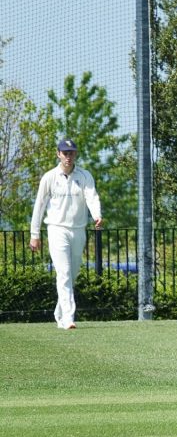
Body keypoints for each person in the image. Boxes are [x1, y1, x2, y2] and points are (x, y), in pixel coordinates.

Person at [29, 138, 103, 330]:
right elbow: (39, 206)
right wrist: (34, 234)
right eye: (64, 153)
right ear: (58, 154)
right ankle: (68, 318)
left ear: (75, 154)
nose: (68, 157)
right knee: (64, 273)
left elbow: (91, 196)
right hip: (56, 229)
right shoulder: (49, 177)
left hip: (78, 230)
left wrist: (97, 215)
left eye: (71, 153)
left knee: (73, 273)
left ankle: (59, 312)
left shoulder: (84, 176)